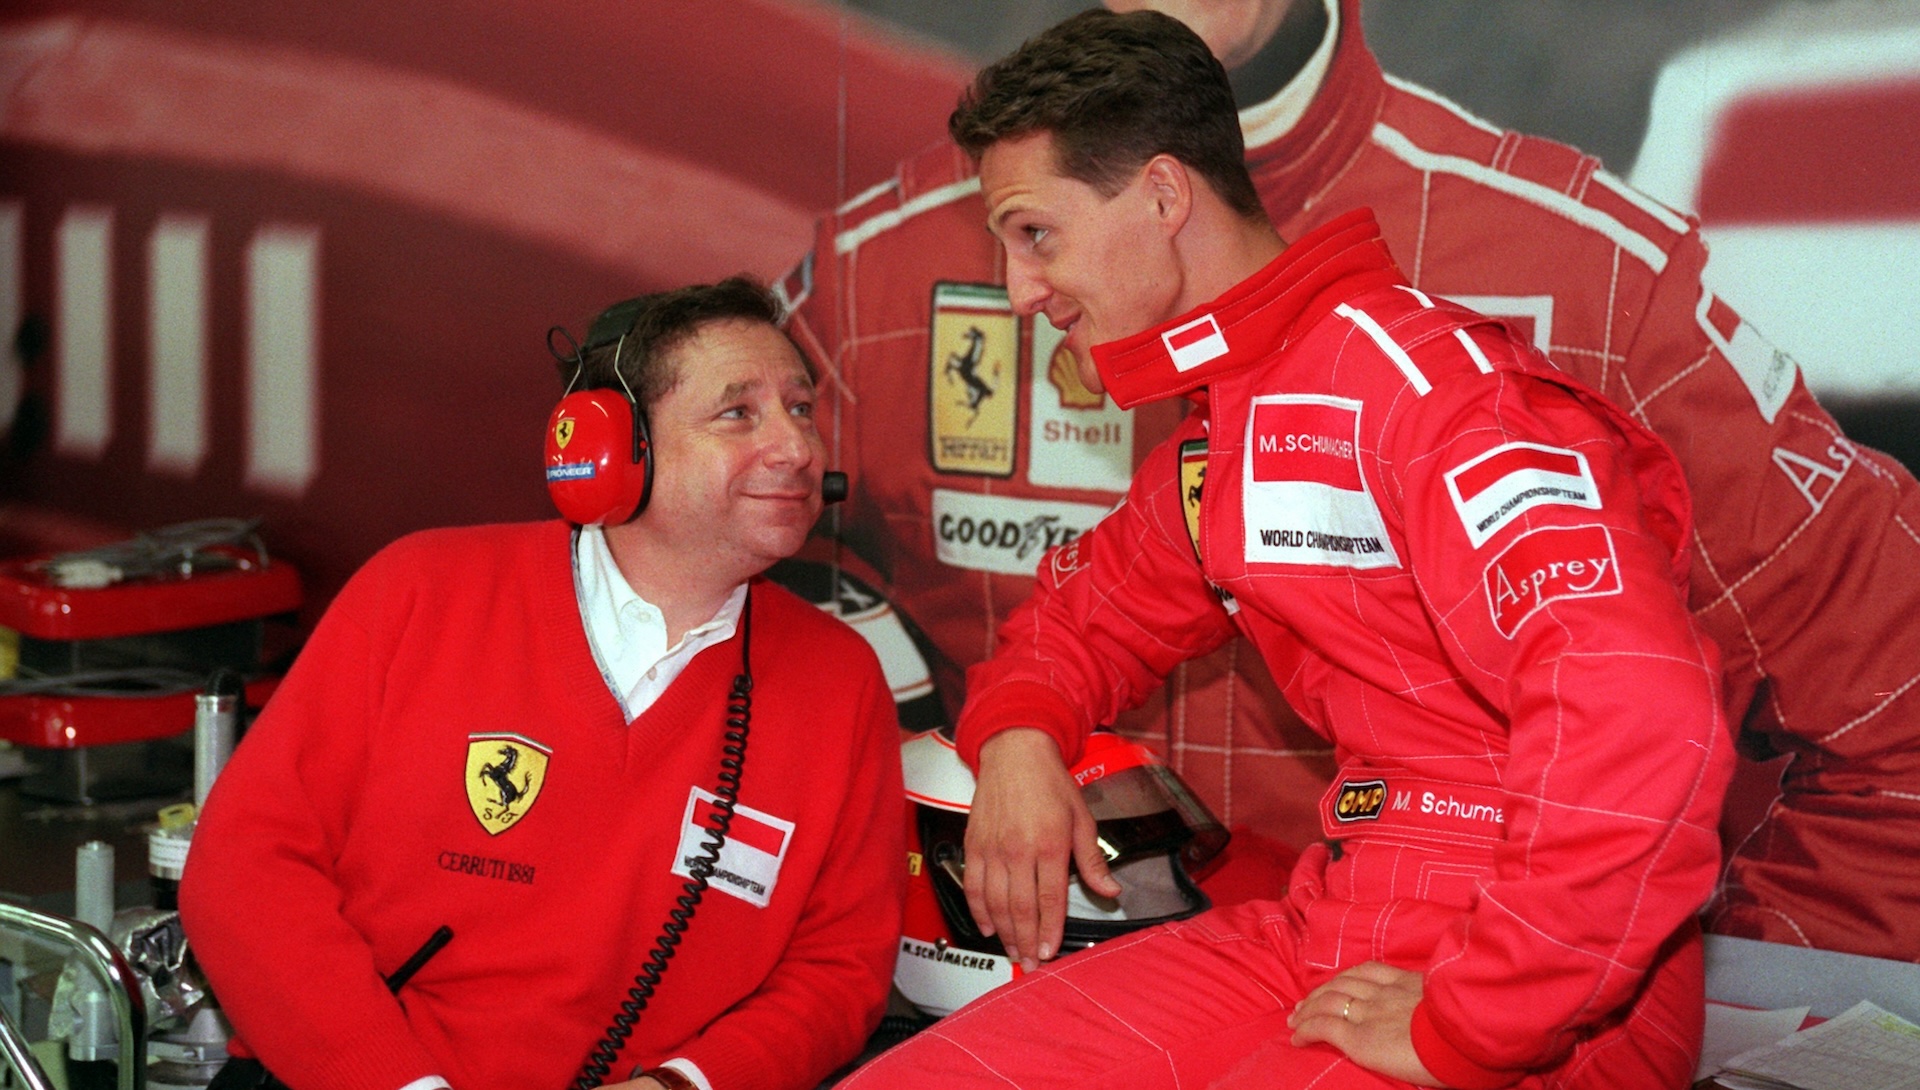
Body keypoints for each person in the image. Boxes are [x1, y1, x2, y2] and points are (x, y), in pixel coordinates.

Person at [782, 0, 1920, 962]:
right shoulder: (883, 258)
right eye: (1018, 239)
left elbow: (1894, 709)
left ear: (1174, 197)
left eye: (1042, 236)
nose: (1028, 281)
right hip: (1033, 981)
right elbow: (684, 628)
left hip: (1465, 990)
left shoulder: (1587, 271)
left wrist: (1692, 996)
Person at [180, 278, 906, 1090]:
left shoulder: (841, 681)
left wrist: (686, 1085)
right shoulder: (421, 591)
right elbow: (245, 870)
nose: (798, 448)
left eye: (801, 409)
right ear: (611, 445)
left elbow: (839, 968)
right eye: (739, 414)